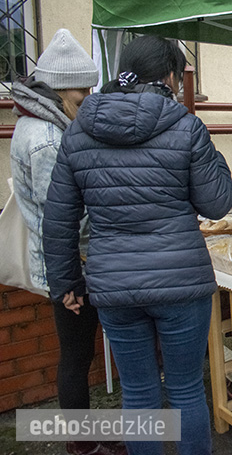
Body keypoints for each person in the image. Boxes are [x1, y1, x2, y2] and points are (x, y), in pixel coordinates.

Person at [43, 35, 232, 455]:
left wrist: (66, 284)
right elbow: (218, 203)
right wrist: (213, 153)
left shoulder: (78, 131)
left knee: (139, 393)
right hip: (181, 281)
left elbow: (58, 220)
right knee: (185, 391)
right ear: (168, 75)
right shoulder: (186, 126)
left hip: (114, 286)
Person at [10, 29, 125, 455]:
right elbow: (64, 217)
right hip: (69, 266)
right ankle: (81, 444)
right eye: (81, 96)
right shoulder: (45, 139)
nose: (87, 103)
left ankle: (88, 436)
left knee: (79, 354)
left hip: (71, 262)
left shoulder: (45, 126)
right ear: (58, 92)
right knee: (76, 357)